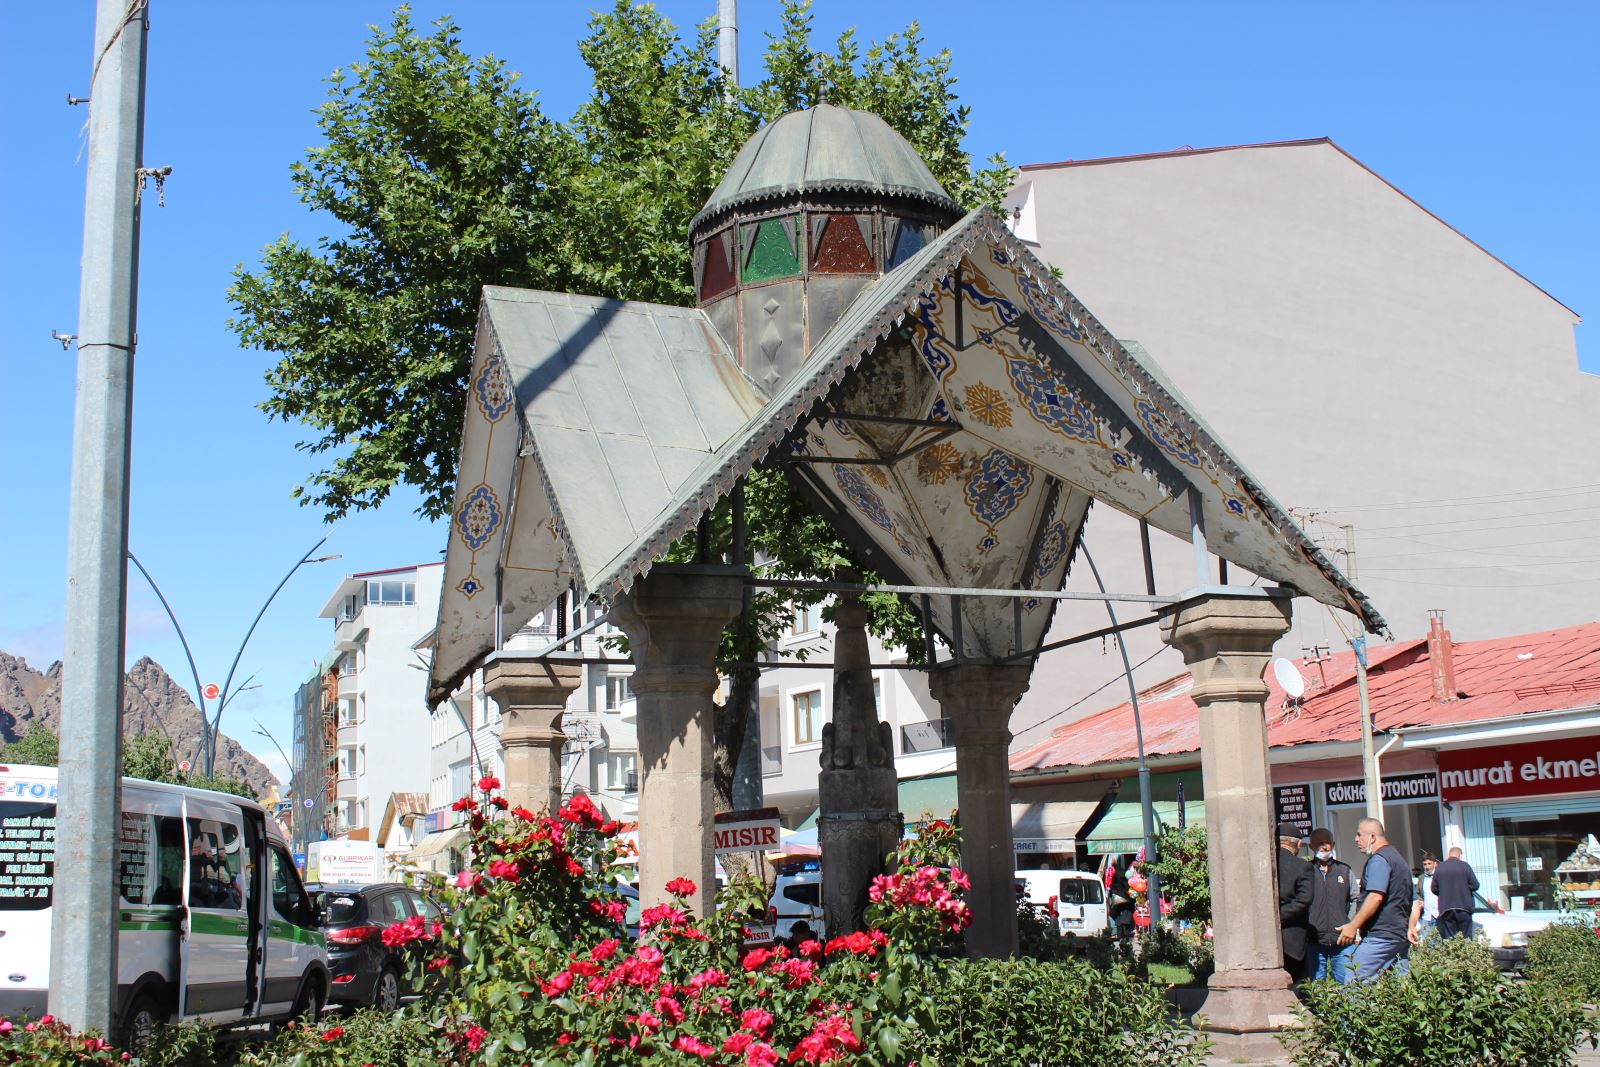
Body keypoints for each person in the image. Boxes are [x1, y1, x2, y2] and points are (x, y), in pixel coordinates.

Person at [1335, 818, 1414, 981]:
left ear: (1372, 837)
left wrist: (1353, 925)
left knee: (1354, 984)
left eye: (1359, 835)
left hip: (1381, 937)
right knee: (1399, 988)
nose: (1356, 839)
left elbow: (1375, 897)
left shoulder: (1379, 860)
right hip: (1398, 935)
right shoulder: (1398, 858)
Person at [1305, 828, 1358, 982]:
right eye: (1319, 843)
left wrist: (1350, 924)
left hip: (1342, 940)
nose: (1324, 846)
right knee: (1315, 986)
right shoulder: (1305, 871)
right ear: (1311, 846)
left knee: (1347, 984)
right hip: (1314, 940)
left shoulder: (1344, 870)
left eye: (1327, 842)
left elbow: (1356, 899)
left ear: (1333, 845)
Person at [1276, 823, 1313, 977]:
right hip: (1292, 940)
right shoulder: (1303, 867)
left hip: (1264, 939)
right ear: (1298, 844)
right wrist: (1280, 916)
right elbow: (1304, 899)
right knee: (1295, 982)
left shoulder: (1264, 864)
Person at [1432, 846, 1481, 939]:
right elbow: (1475, 885)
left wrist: (1444, 892)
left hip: (1446, 909)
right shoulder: (1465, 866)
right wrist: (1465, 888)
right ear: (1460, 855)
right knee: (1466, 938)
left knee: (1449, 939)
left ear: (1448, 854)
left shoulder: (1440, 867)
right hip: (1464, 907)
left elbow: (1434, 888)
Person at [1407, 851, 1440, 945]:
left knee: (1441, 945)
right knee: (1428, 946)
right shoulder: (1422, 878)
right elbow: (1418, 894)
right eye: (1425, 864)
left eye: (1429, 863)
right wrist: (1420, 901)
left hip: (1439, 916)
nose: (1427, 866)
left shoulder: (1440, 877)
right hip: (1426, 917)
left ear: (1435, 863)